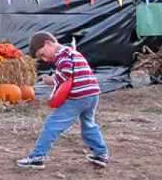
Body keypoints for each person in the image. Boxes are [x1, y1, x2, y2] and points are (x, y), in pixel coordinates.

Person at [16, 31, 109, 169]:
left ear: (48, 43)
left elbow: (66, 74)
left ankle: (37, 157)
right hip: (92, 94)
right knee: (89, 124)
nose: (45, 59)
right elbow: (71, 71)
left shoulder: (63, 55)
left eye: (42, 54)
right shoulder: (71, 52)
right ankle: (101, 153)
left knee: (52, 125)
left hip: (78, 96)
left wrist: (52, 80)